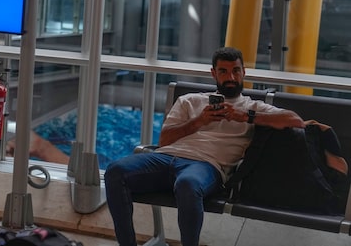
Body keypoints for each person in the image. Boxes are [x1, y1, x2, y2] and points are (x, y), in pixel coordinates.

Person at [104, 47, 305, 246]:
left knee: (188, 184)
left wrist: (246, 117)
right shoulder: (189, 101)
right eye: (223, 71)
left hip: (207, 166)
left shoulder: (253, 107)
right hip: (167, 157)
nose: (231, 77)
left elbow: (295, 120)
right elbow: (164, 140)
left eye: (236, 71)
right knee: (114, 171)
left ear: (243, 72)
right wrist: (199, 121)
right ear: (213, 73)